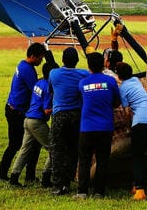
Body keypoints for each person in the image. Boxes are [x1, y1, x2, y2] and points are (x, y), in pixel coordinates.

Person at [0, 42, 47, 181]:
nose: (41, 61)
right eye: (40, 58)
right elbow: (35, 88)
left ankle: (29, 175)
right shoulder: (27, 69)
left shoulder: (23, 65)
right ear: (33, 56)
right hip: (17, 112)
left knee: (30, 143)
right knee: (17, 144)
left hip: (14, 109)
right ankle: (2, 174)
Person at [76, 51, 121, 199]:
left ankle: (82, 191)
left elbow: (81, 102)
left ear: (88, 66)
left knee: (84, 160)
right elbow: (117, 102)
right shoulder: (110, 82)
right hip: (105, 127)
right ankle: (99, 192)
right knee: (102, 160)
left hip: (87, 127)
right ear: (103, 65)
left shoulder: (82, 83)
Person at [114, 62, 147, 200]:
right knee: (141, 153)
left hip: (140, 122)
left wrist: (128, 127)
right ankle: (135, 184)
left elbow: (126, 112)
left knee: (136, 156)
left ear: (119, 75)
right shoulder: (136, 80)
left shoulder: (122, 88)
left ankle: (140, 190)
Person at [10, 61, 54, 187]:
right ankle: (46, 177)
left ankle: (14, 177)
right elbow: (46, 110)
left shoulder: (39, 82)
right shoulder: (48, 88)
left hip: (28, 119)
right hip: (37, 122)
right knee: (54, 148)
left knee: (24, 150)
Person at [47, 46, 85, 195]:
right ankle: (68, 181)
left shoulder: (54, 73)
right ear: (77, 60)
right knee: (72, 149)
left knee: (56, 149)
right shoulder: (83, 74)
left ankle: (58, 184)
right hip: (77, 115)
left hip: (59, 115)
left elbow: (51, 90)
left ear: (62, 59)